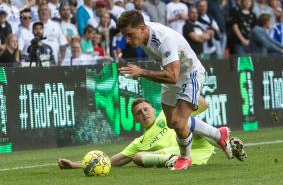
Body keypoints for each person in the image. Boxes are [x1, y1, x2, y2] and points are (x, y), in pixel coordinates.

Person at [118, 10, 232, 170]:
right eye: (125, 35)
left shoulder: (164, 40)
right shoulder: (143, 31)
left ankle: (184, 158)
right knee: (172, 123)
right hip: (172, 73)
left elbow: (172, 76)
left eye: (130, 34)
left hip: (190, 74)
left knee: (179, 122)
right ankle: (219, 135)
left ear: (142, 28)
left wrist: (142, 72)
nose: (127, 40)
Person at [58, 98, 217, 169]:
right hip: (181, 158)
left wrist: (185, 90)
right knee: (138, 157)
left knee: (188, 123)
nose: (144, 114)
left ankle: (221, 139)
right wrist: (75, 165)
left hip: (197, 148)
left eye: (146, 109)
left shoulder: (166, 114)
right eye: (139, 113)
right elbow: (113, 161)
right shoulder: (139, 142)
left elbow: (203, 104)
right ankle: (175, 160)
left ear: (154, 110)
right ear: (135, 119)